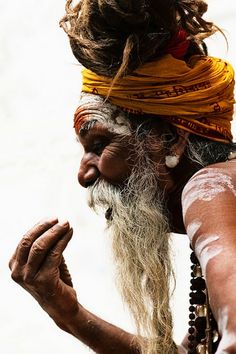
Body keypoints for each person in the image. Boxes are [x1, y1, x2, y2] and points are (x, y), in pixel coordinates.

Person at [9, 0, 236, 353]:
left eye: (99, 144)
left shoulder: (209, 190)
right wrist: (68, 314)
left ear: (170, 140)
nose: (84, 174)